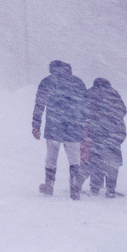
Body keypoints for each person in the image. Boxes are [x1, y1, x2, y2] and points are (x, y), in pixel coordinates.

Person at [31, 60, 87, 200]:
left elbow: (39, 104)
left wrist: (36, 125)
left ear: (52, 69)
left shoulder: (47, 82)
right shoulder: (78, 82)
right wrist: (85, 124)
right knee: (75, 160)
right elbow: (86, 106)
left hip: (54, 126)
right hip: (74, 127)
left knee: (51, 158)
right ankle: (74, 189)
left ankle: (49, 185)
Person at [83, 77, 126, 198]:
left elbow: (83, 112)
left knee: (96, 160)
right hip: (114, 133)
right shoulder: (114, 93)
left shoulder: (90, 93)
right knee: (113, 162)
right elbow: (123, 111)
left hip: (96, 133)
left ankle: (95, 188)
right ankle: (111, 189)